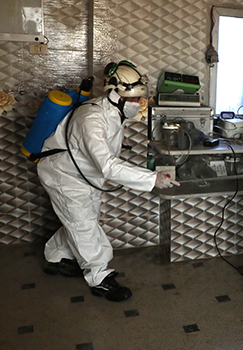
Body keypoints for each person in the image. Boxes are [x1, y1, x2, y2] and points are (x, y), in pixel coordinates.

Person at [37, 60, 179, 302]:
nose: (137, 105)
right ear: (115, 94)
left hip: (84, 175)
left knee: (81, 220)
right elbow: (107, 165)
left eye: (138, 99)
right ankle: (100, 278)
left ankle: (56, 257)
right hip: (65, 177)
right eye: (132, 100)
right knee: (84, 226)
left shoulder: (112, 111)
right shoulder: (91, 118)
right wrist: (152, 179)